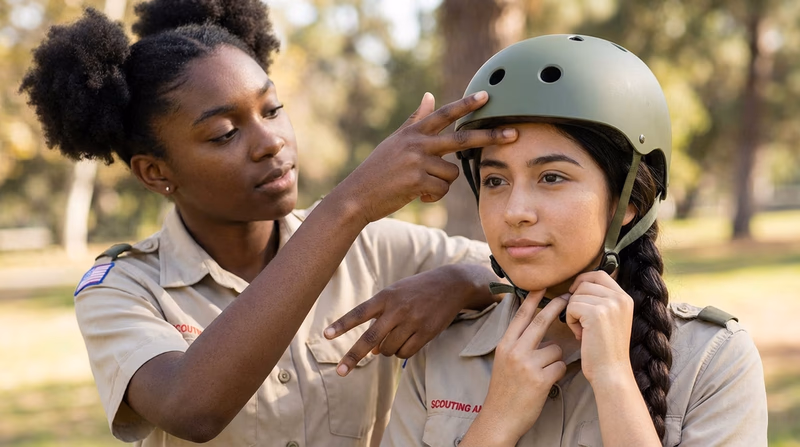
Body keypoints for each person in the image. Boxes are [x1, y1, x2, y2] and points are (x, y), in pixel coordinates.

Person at [19, 1, 521, 446]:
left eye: (273, 109)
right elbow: (192, 409)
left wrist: (462, 280)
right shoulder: (123, 289)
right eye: (223, 133)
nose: (270, 142)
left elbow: (530, 272)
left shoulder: (375, 249)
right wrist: (349, 203)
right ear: (156, 172)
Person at [381, 34, 768, 447]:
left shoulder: (713, 360)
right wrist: (493, 426)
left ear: (627, 201)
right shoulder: (437, 356)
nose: (515, 211)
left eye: (551, 177)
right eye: (495, 180)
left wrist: (615, 379)